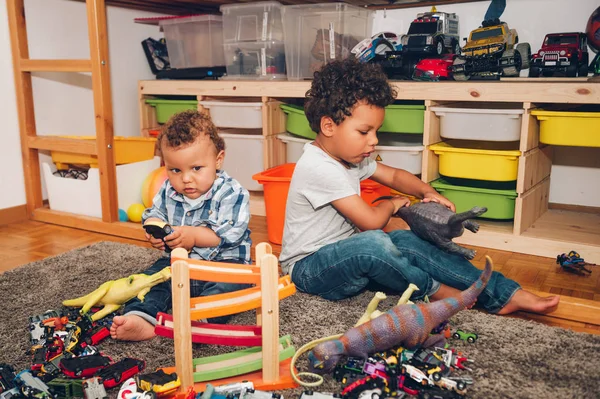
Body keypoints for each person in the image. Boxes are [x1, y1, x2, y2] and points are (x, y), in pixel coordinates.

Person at [279, 58, 559, 315]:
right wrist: (393, 204)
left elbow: (395, 175)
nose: (374, 141)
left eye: (376, 131)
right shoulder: (319, 167)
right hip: (309, 270)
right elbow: (371, 221)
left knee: (406, 241)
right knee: (375, 242)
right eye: (364, 132)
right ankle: (434, 291)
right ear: (328, 126)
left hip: (347, 256)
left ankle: (502, 294)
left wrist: (427, 191)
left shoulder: (349, 157)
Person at [110, 110, 252, 341]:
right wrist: (154, 231)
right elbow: (153, 214)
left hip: (223, 266)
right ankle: (141, 318)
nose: (185, 178)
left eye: (196, 168)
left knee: (235, 285)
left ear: (217, 160)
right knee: (149, 281)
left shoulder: (231, 192)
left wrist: (194, 236)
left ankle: (200, 320)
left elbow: (230, 233)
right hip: (178, 265)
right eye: (175, 170)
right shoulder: (168, 189)